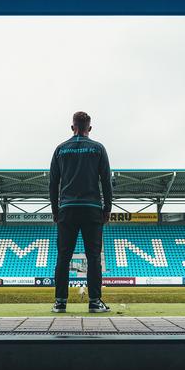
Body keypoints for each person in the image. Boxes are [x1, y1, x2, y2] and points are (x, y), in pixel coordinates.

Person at [49, 111, 113, 313]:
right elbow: (106, 181)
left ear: (72, 127)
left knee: (63, 256)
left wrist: (55, 210)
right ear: (89, 128)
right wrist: (107, 209)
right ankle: (94, 302)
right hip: (92, 208)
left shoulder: (60, 150)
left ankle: (60, 302)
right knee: (93, 257)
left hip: (67, 209)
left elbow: (53, 183)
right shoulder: (98, 148)